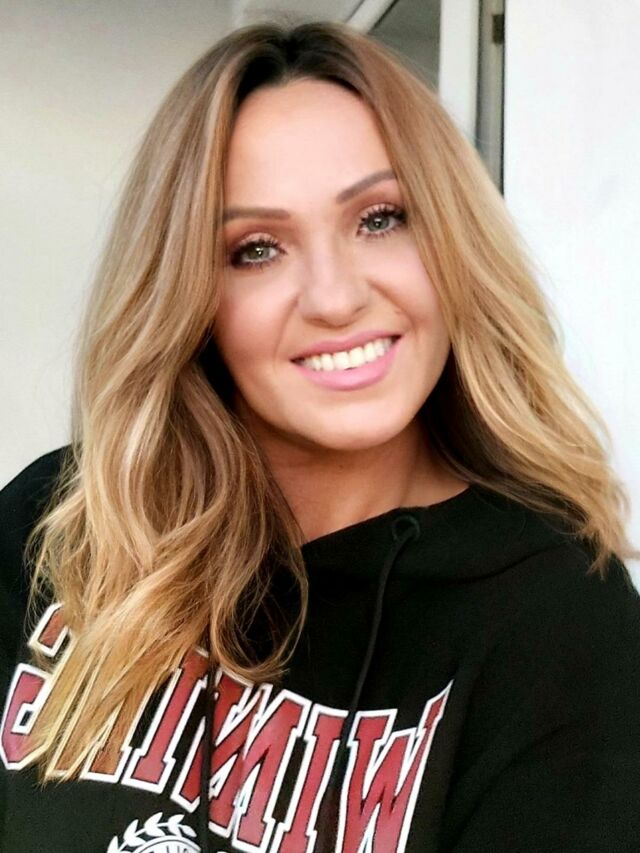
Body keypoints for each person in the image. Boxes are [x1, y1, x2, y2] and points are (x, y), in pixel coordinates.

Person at [1, 18, 639, 853]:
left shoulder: (556, 620)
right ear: (191, 297)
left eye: (381, 218)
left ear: (453, 242)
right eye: (257, 248)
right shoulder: (63, 522)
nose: (335, 298)